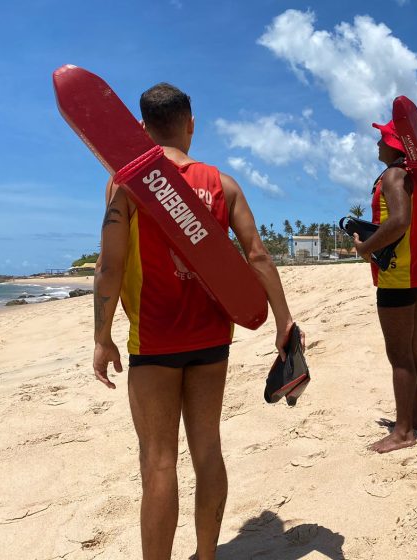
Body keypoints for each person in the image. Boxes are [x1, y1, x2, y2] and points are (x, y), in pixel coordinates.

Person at [92, 83, 299, 559]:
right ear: (190, 123)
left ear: (143, 128)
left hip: (154, 342)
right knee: (208, 449)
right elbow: (258, 256)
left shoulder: (126, 184)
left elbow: (109, 265)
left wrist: (102, 338)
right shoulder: (224, 185)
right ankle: (207, 555)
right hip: (211, 340)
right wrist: (282, 321)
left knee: (159, 463)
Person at [352, 120, 417, 453]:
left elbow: (399, 221)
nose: (377, 144)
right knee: (415, 349)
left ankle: (403, 432)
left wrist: (366, 247)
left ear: (394, 145)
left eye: (381, 139)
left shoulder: (392, 176)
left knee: (400, 355)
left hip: (399, 274)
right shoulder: (412, 176)